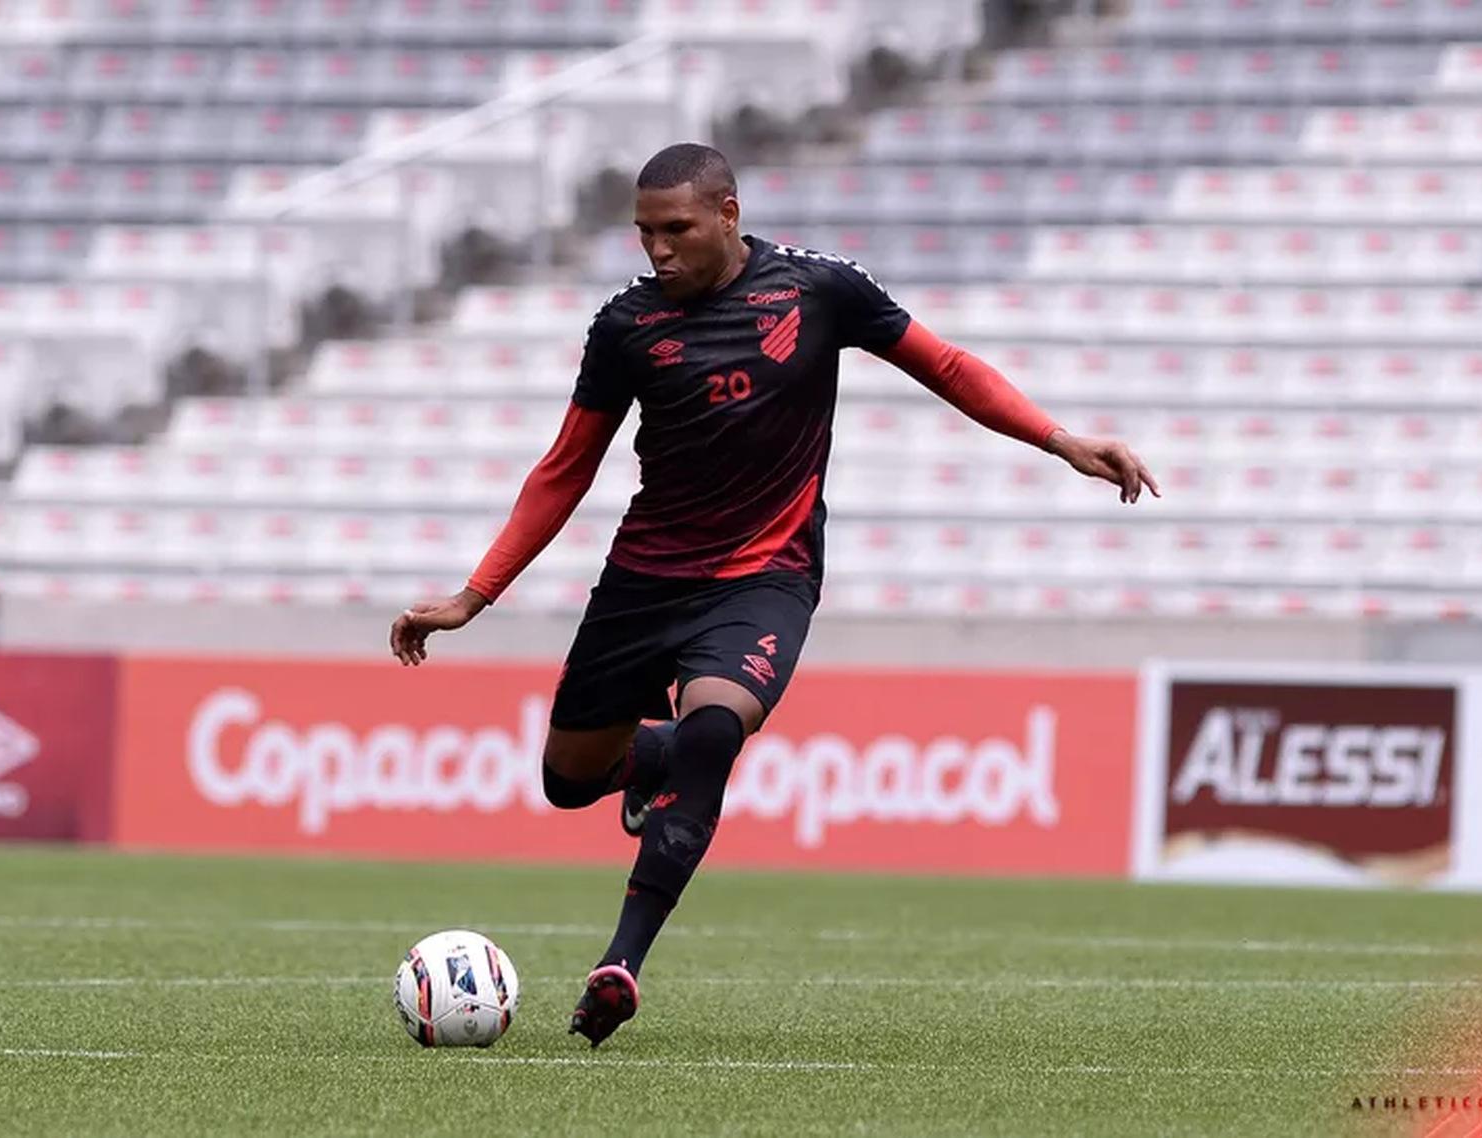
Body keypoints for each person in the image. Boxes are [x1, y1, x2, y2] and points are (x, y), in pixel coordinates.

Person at [387, 142, 1159, 1047]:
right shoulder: (626, 326)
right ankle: (655, 756)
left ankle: (621, 964)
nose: (658, 250)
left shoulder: (818, 290)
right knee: (569, 781)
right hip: (645, 580)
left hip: (766, 575)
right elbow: (565, 469)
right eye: (644, 232)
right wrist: (473, 596)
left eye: (676, 229)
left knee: (716, 729)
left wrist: (1060, 440)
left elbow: (947, 367)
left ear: (728, 213)